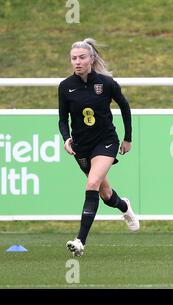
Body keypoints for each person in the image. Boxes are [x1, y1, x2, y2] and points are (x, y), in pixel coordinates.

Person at [58, 38, 140, 257]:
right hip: (81, 146)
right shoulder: (66, 87)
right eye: (74, 58)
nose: (77, 62)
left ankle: (80, 241)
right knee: (105, 193)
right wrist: (66, 138)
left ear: (92, 59)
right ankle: (124, 207)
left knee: (92, 183)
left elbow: (125, 107)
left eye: (82, 57)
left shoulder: (106, 83)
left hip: (106, 141)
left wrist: (127, 138)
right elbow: (62, 119)